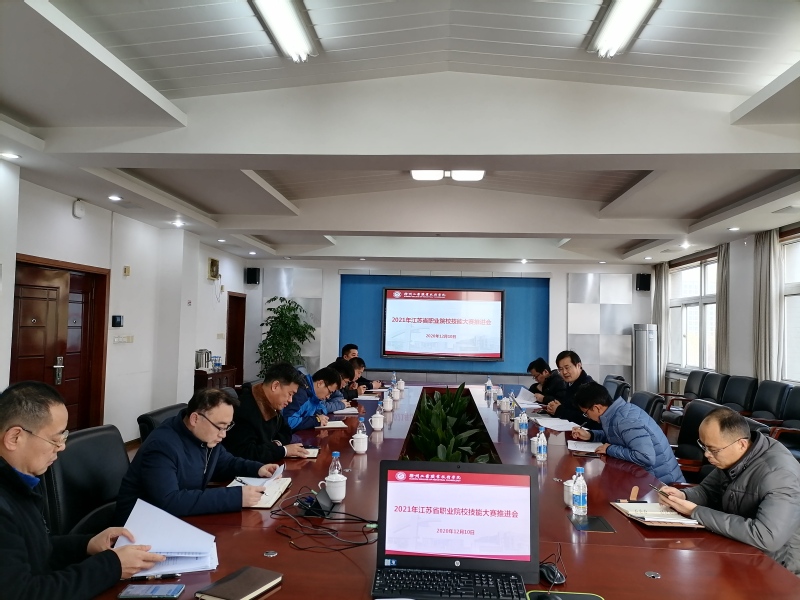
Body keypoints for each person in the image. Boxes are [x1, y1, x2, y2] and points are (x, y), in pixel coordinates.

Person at [0, 381, 165, 599]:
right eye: (55, 439)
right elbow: (24, 593)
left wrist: (87, 544)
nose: (62, 447)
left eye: (63, 437)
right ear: (14, 438)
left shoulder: (20, 481)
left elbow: (35, 550)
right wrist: (112, 566)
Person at [658, 408, 800, 575]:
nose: (707, 454)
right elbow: (707, 491)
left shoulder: (780, 475)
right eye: (703, 446)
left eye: (713, 449)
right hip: (740, 550)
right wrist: (683, 496)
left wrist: (695, 511)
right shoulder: (736, 455)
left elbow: (766, 537)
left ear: (741, 444)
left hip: (778, 570)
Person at [115, 388, 279, 523]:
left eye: (227, 427)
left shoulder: (205, 436)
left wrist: (257, 469)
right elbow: (169, 501)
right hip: (140, 527)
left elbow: (225, 462)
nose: (223, 435)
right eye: (220, 426)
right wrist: (237, 497)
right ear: (195, 419)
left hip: (178, 519)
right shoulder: (162, 446)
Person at [571, 382, 684, 483]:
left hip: (661, 485)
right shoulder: (617, 412)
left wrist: (610, 449)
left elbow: (645, 457)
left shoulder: (626, 420)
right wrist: (590, 435)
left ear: (597, 408)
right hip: (644, 477)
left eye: (586, 413)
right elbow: (617, 436)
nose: (588, 417)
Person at [223, 363, 309, 462]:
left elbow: (286, 431)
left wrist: (275, 444)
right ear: (275, 386)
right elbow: (247, 453)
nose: (290, 400)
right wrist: (283, 451)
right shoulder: (244, 410)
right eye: (290, 394)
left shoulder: (272, 405)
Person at [546, 350, 600, 429]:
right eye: (560, 369)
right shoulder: (571, 383)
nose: (564, 372)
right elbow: (571, 408)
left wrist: (559, 410)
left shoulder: (588, 388)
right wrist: (556, 407)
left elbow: (588, 420)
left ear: (578, 365)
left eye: (567, 368)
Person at [282, 367, 341, 431]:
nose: (328, 397)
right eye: (329, 392)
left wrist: (319, 415)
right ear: (320, 383)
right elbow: (289, 422)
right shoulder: (301, 394)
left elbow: (321, 408)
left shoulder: (315, 396)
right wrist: (316, 420)